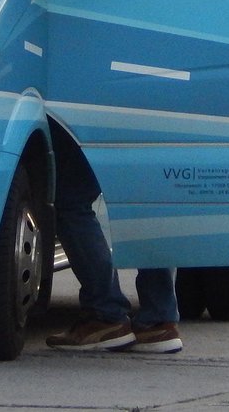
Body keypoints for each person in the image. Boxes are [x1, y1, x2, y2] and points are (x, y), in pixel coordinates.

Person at [46, 127, 183, 353]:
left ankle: (105, 315)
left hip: (94, 115)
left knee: (71, 200)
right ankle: (158, 321)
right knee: (147, 198)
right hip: (153, 114)